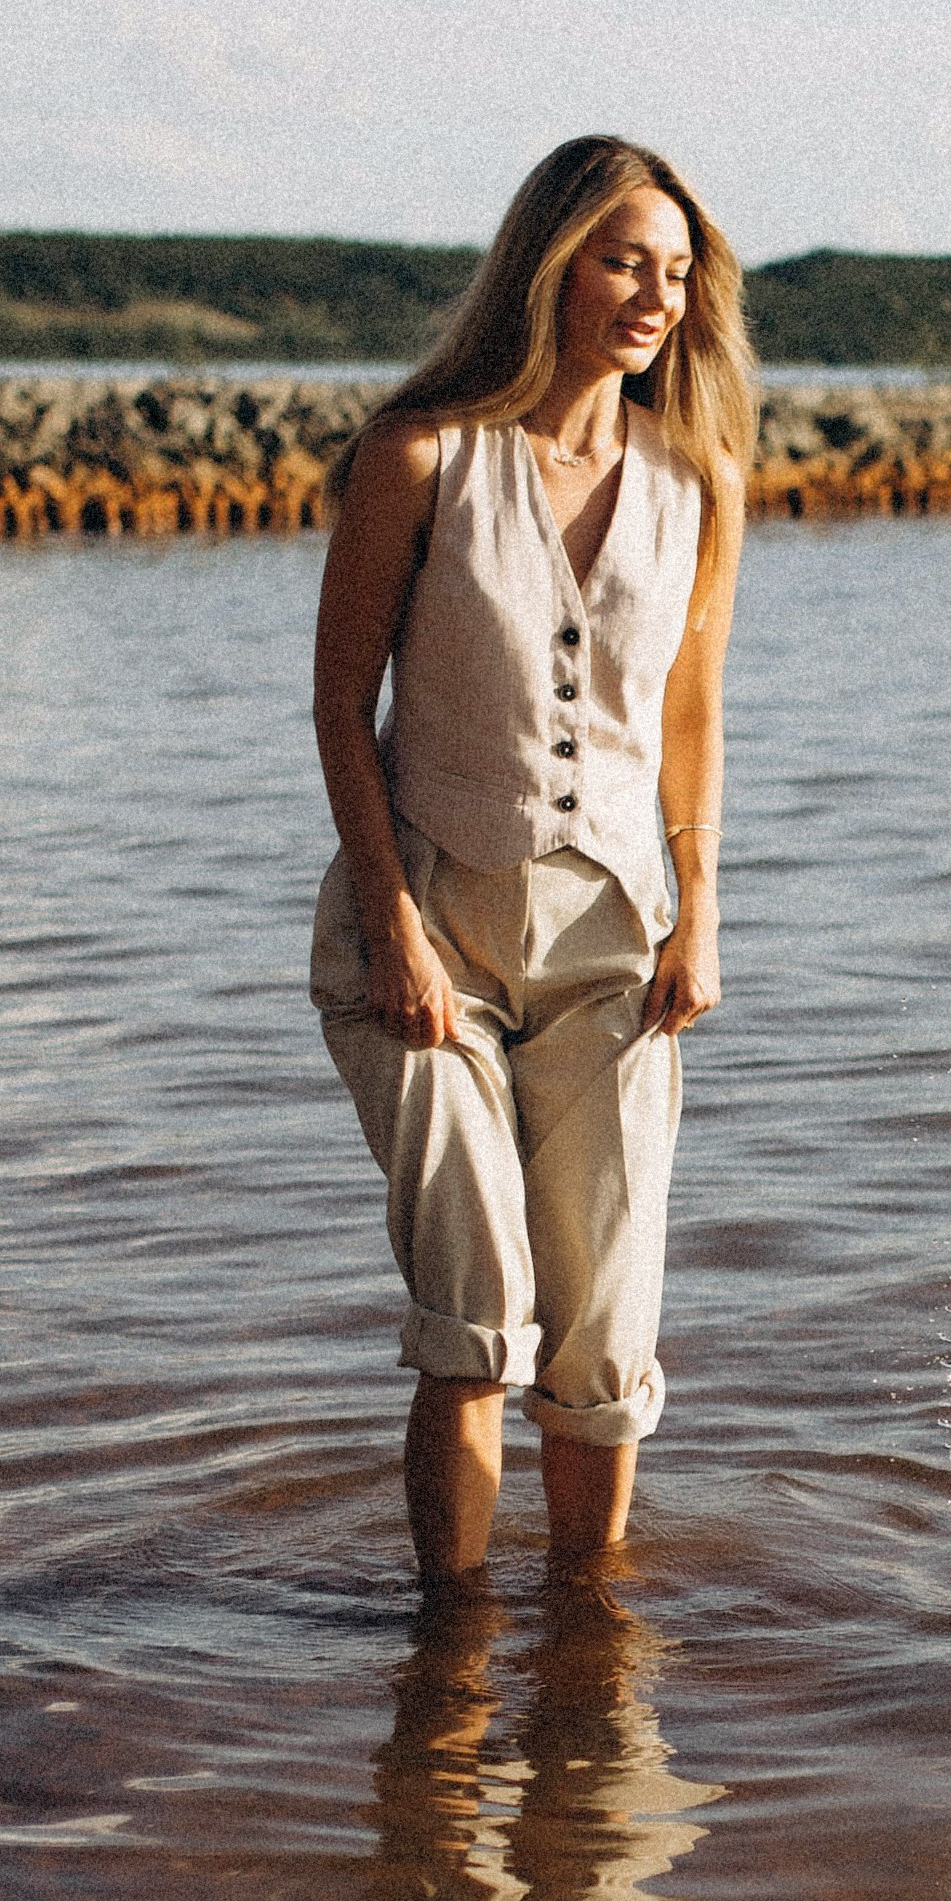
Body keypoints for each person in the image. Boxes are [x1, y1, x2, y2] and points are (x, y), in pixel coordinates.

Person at [311, 135, 752, 1583]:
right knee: (475, 1305)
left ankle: (586, 1653)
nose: (653, 295)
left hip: (615, 944)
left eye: (677, 272)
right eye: (625, 259)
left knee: (608, 1330)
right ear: (552, 263)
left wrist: (700, 911)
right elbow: (340, 704)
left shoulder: (701, 483)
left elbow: (689, 714)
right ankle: (448, 1659)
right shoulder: (422, 456)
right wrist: (391, 927)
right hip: (432, 921)